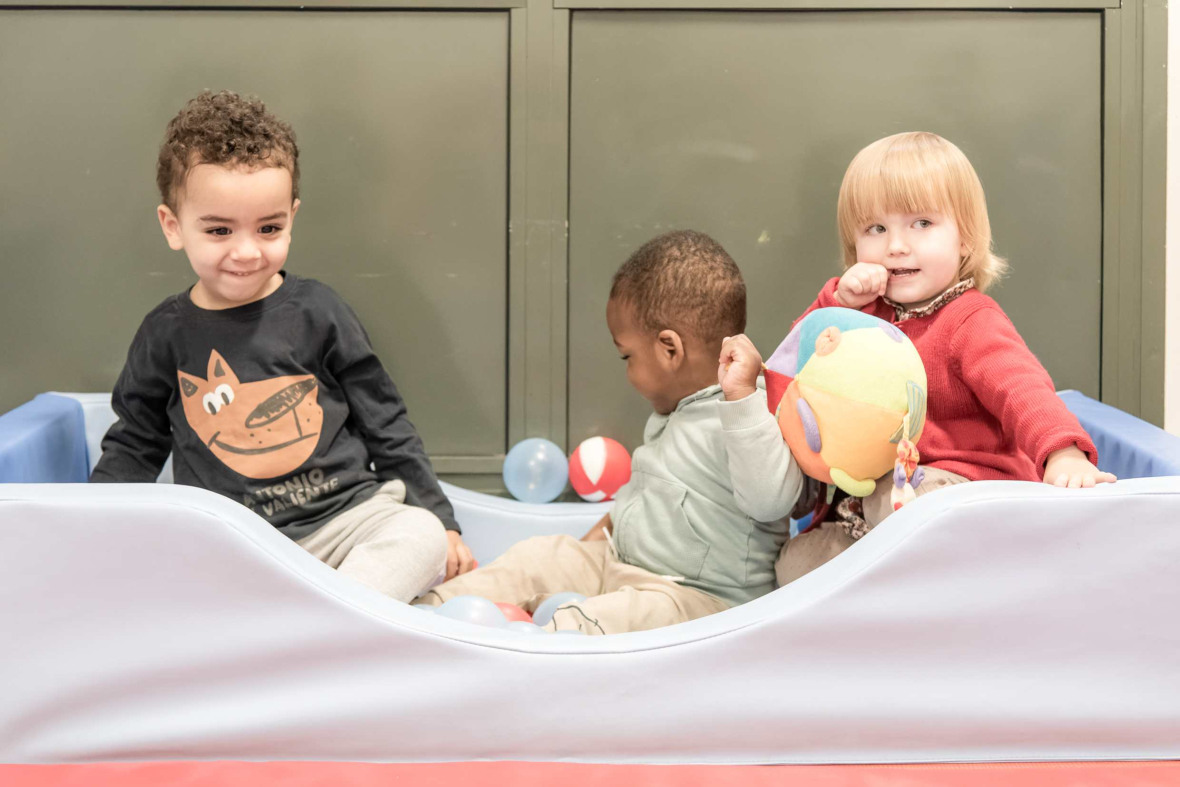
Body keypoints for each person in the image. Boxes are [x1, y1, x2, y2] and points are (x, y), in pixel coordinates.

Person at [90, 90, 474, 602]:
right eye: (220, 230)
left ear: (292, 216)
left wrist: (442, 520)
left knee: (418, 534)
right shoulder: (166, 333)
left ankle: (323, 619)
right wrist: (90, 535)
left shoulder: (319, 311)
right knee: (163, 574)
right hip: (236, 546)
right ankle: (336, 621)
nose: (247, 251)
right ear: (173, 226)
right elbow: (135, 444)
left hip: (345, 525)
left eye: (269, 228)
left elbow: (384, 421)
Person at [728, 131, 1116, 586]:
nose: (896, 245)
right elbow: (799, 368)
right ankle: (876, 614)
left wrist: (1063, 453)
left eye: (922, 224)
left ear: (965, 240)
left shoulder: (970, 319)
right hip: (873, 499)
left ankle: (938, 591)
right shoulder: (862, 315)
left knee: (911, 501)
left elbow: (1022, 388)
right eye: (876, 229)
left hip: (963, 492)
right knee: (794, 564)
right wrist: (837, 304)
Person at [416, 230, 803, 634]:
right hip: (622, 566)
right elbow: (645, 501)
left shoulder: (747, 412)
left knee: (588, 623)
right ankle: (425, 613)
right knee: (538, 557)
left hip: (698, 603)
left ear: (669, 350)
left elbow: (772, 500)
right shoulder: (674, 412)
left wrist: (741, 401)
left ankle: (526, 654)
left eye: (627, 355)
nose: (626, 369)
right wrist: (586, 550)